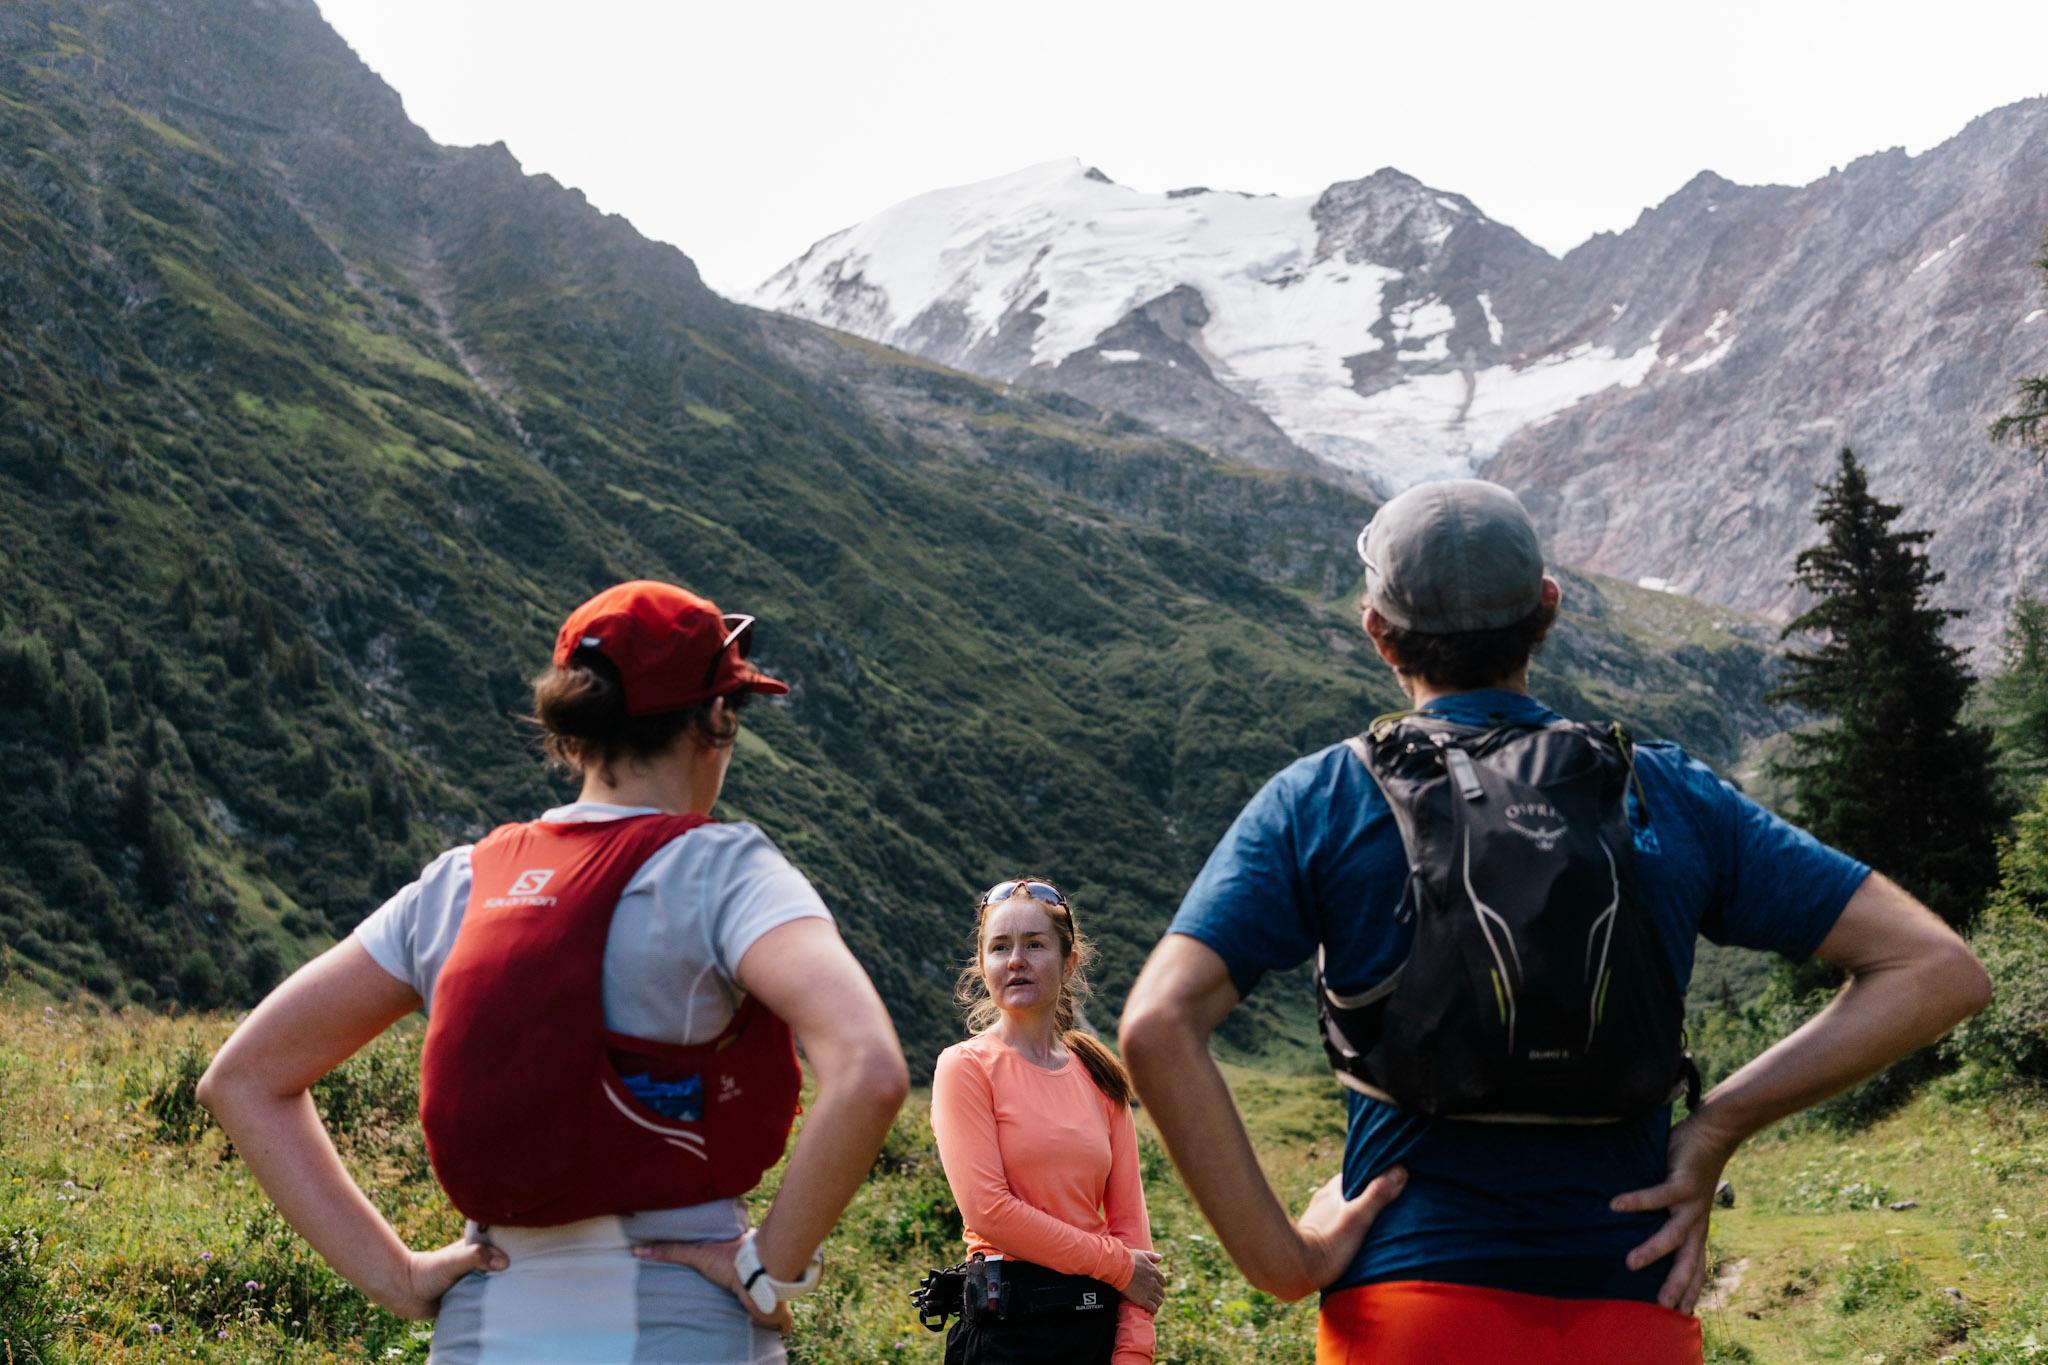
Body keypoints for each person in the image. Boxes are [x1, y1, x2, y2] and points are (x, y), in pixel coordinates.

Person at [1117, 480, 1992, 1364]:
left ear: (1377, 630)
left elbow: (1157, 1024)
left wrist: (1284, 1261)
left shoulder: (1323, 797)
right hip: (1632, 1301)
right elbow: (1936, 968)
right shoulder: (1664, 789)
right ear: (1548, 610)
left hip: (1409, 1308)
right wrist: (1716, 1126)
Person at [198, 580, 909, 1363]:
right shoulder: (721, 869)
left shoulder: (460, 883)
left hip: (484, 1326)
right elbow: (869, 1069)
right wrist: (767, 1267)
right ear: (715, 718)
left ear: (574, 736)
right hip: (685, 1326)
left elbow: (243, 1079)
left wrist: (395, 1276)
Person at [928, 877, 1161, 1365]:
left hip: (1093, 1333)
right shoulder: (965, 1066)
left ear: (1068, 960)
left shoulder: (1100, 1075)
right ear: (983, 965)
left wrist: (1134, 1351)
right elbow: (989, 1212)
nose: (1015, 960)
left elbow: (1132, 1228)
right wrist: (1117, 1266)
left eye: (1034, 945)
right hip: (1005, 1339)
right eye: (1000, 947)